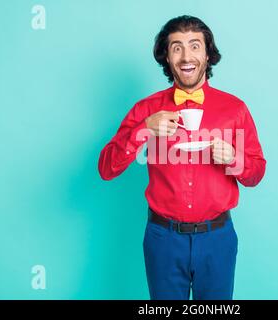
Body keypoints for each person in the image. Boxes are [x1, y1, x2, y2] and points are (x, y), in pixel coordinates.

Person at [98, 15, 266, 300]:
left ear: (208, 54)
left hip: (218, 238)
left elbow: (256, 173)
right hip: (163, 239)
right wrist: (144, 129)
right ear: (166, 56)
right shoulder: (146, 109)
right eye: (176, 47)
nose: (186, 56)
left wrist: (234, 159)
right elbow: (107, 168)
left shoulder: (235, 109)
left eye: (194, 46)